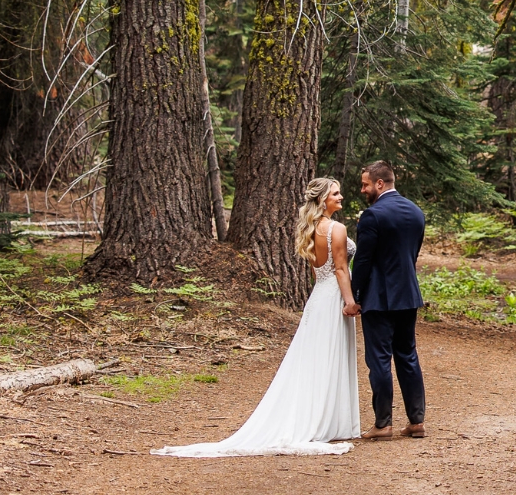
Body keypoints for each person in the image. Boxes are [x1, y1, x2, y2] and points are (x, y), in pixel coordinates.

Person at [152, 178, 361, 457]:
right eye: (335, 193)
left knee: (315, 358)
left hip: (318, 297)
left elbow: (317, 271)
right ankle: (323, 420)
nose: (341, 196)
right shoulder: (336, 229)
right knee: (328, 356)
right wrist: (349, 302)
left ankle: (325, 418)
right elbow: (339, 268)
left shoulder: (312, 229)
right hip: (334, 296)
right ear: (323, 199)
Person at [352, 161, 428, 439]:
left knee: (380, 359)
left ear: (380, 183)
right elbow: (412, 254)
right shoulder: (416, 212)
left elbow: (363, 260)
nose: (363, 189)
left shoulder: (373, 216)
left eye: (365, 184)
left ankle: (383, 424)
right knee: (408, 355)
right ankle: (417, 421)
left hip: (378, 297)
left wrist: (355, 294)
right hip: (408, 294)